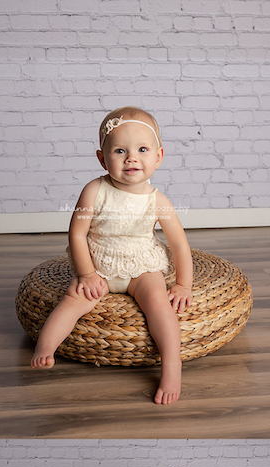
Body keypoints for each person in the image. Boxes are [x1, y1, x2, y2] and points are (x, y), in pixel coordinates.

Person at [31, 106, 193, 405]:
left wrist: (183, 284)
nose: (131, 157)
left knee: (159, 303)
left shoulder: (158, 200)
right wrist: (87, 273)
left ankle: (172, 365)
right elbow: (77, 234)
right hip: (99, 263)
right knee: (73, 299)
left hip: (141, 264)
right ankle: (45, 347)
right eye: (120, 150)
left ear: (158, 156)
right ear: (102, 158)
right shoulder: (94, 190)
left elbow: (180, 244)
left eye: (142, 149)